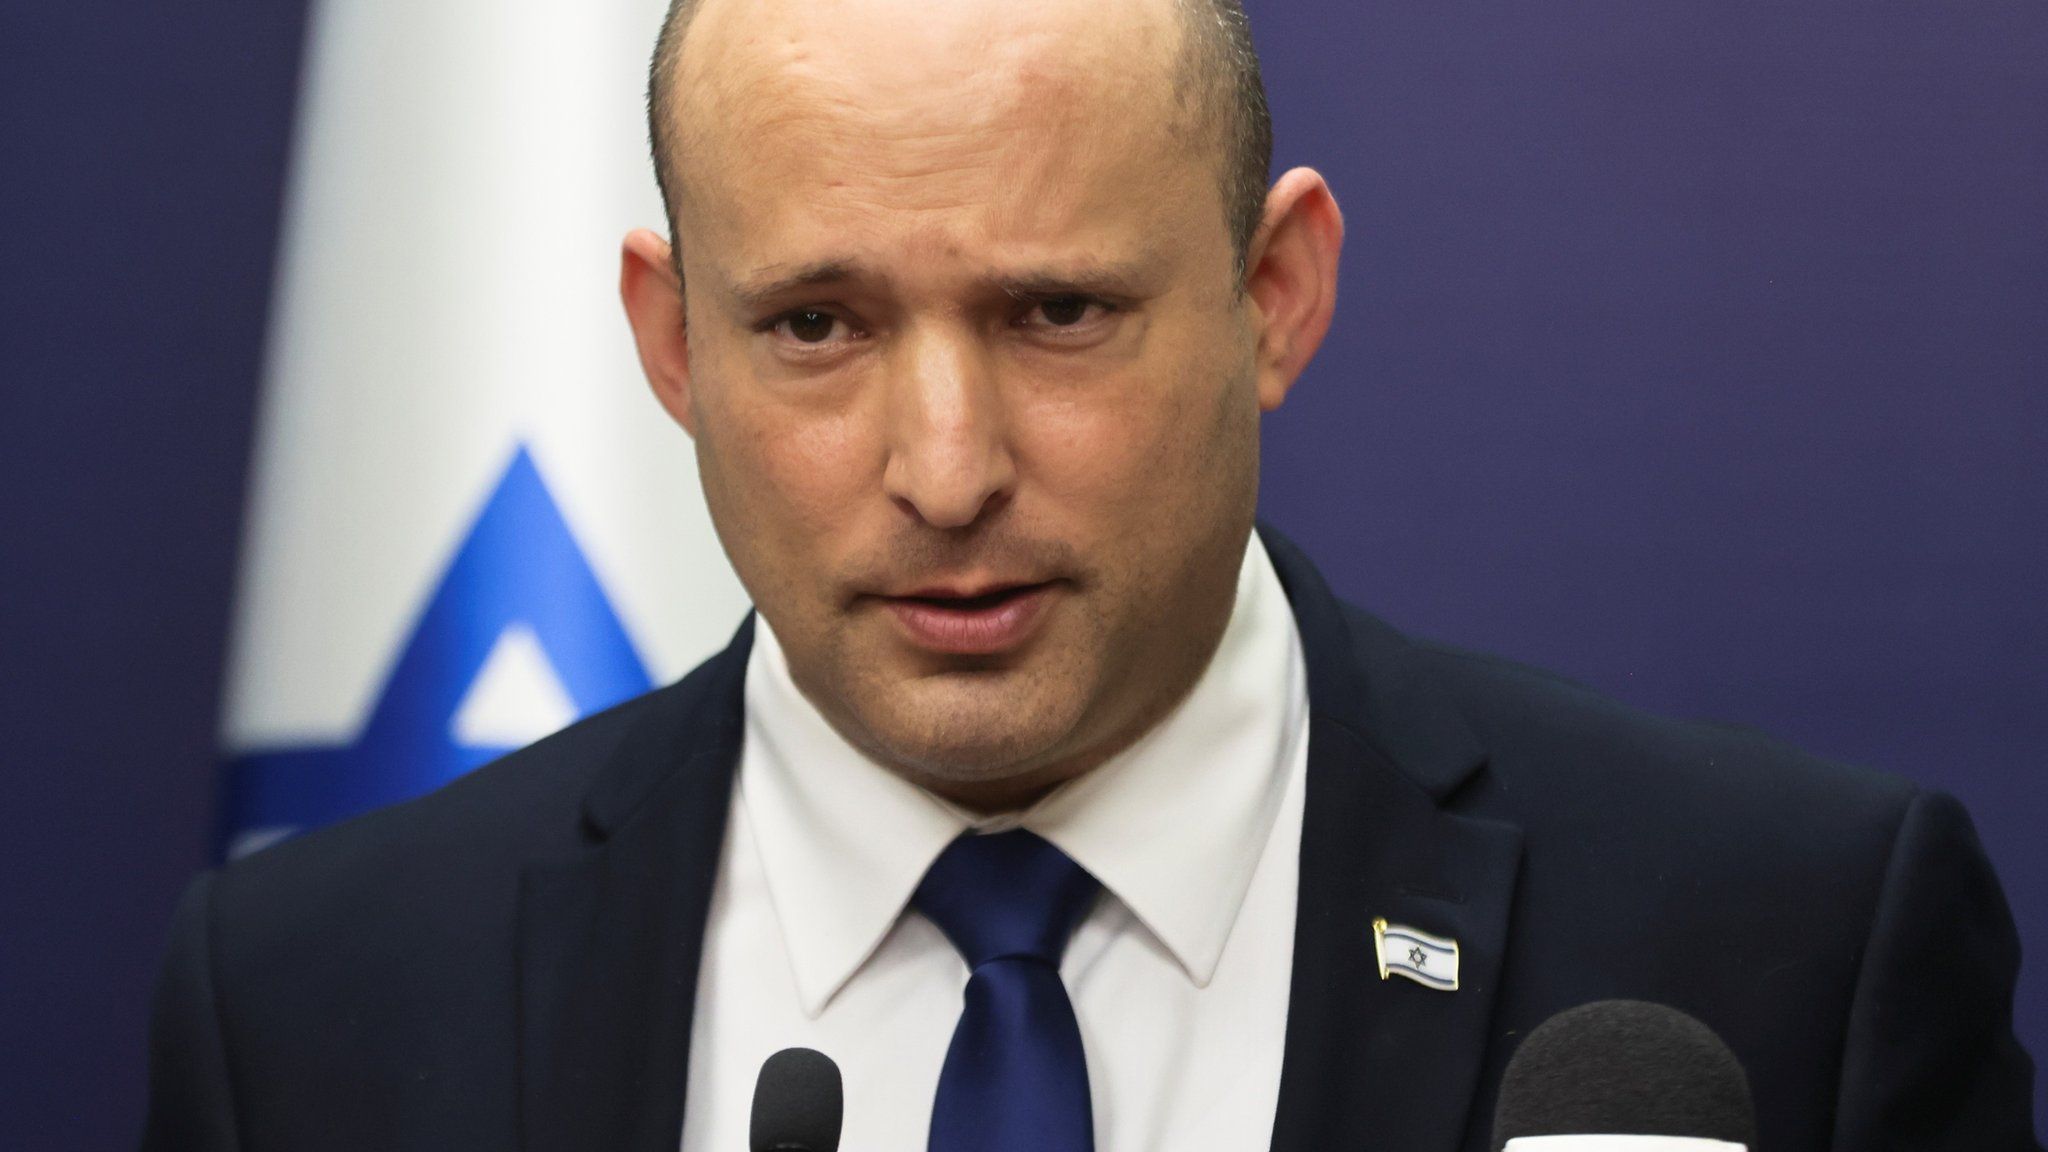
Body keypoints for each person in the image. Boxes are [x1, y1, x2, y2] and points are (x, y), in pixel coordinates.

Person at [142, 0, 2038, 1148]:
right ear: (672, 343)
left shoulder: (1781, 948)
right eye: (815, 325)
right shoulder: (315, 1007)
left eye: (1056, 311)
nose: (945, 471)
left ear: (1272, 295)